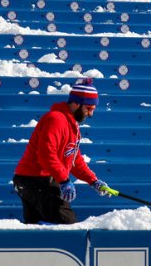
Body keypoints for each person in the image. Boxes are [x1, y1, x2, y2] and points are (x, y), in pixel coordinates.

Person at [12, 78, 111, 224]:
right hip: (34, 179)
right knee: (66, 223)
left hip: (39, 179)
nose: (90, 114)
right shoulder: (56, 120)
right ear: (76, 103)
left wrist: (93, 181)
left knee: (37, 227)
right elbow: (46, 154)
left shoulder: (72, 126)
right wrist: (64, 180)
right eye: (88, 109)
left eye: (92, 110)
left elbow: (75, 160)